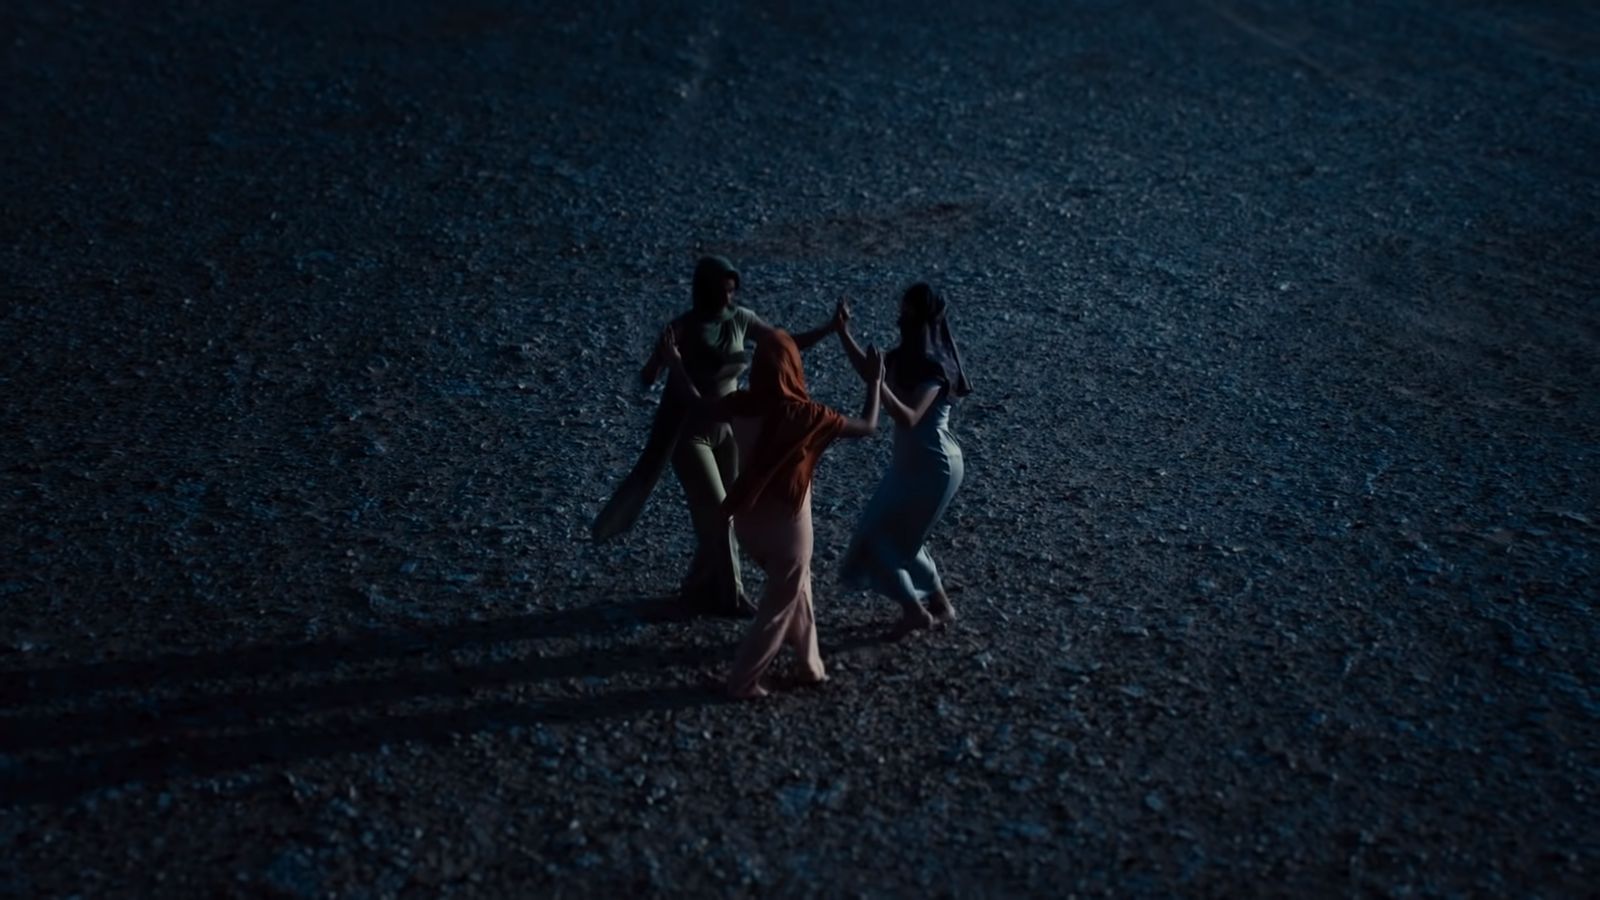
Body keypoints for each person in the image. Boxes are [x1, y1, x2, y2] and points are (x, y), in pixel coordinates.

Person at [591, 256, 836, 618]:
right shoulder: (685, 327)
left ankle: (697, 587)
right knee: (722, 513)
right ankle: (731, 594)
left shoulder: (741, 319)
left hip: (728, 431)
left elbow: (784, 344)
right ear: (707, 289)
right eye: (724, 287)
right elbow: (648, 376)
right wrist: (667, 360)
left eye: (733, 286)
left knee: (728, 513)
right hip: (690, 437)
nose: (730, 293)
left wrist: (829, 328)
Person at [659, 325, 883, 699]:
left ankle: (810, 664)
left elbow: (697, 402)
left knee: (797, 586)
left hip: (747, 520)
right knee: (777, 606)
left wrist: (676, 364)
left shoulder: (740, 404)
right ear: (795, 368)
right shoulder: (811, 416)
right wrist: (874, 381)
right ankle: (743, 680)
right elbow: (869, 425)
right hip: (788, 529)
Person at [833, 283, 972, 637]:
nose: (900, 317)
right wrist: (843, 333)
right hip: (910, 464)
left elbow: (909, 416)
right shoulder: (906, 359)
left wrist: (880, 386)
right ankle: (939, 605)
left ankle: (914, 610)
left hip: (935, 465)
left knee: (876, 540)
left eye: (907, 312)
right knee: (901, 538)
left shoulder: (933, 368)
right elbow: (871, 373)